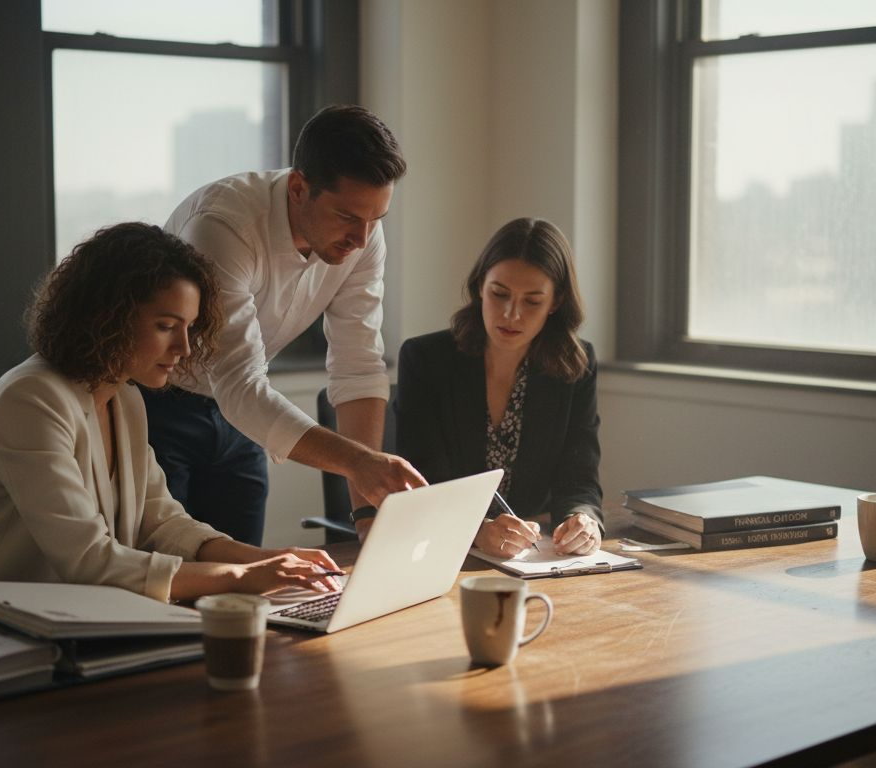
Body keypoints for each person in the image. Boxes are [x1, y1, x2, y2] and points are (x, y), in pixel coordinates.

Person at [0, 222, 339, 605]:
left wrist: (269, 559)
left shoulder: (125, 399)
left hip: (62, 621)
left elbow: (163, 522)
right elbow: (90, 561)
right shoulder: (30, 399)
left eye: (189, 328)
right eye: (165, 326)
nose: (184, 349)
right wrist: (240, 576)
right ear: (108, 316)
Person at [144, 104, 425, 546]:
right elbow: (238, 381)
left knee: (244, 587)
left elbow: (359, 365)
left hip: (244, 419)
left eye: (376, 220)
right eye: (348, 217)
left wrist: (368, 511)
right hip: (158, 405)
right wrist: (356, 462)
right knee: (166, 577)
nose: (362, 239)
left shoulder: (363, 236)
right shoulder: (224, 226)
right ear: (298, 188)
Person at [393, 218, 604, 558]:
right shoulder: (425, 359)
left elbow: (579, 474)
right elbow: (424, 480)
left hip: (533, 554)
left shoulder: (575, 364)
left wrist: (583, 519)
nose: (511, 314)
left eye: (532, 301)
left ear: (556, 302)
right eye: (499, 294)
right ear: (480, 286)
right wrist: (475, 531)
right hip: (438, 551)